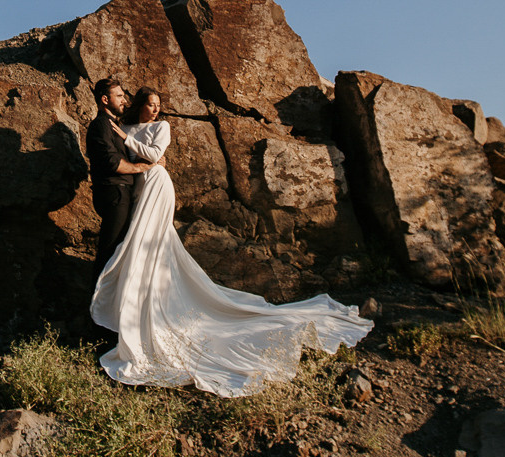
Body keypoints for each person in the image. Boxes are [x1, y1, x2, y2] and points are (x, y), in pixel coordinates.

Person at [89, 86, 373, 397]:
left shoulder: (161, 127)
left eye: (158, 105)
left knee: (152, 243)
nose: (155, 110)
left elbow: (156, 156)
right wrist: (128, 142)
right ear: (140, 106)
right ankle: (129, 309)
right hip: (139, 188)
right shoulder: (124, 126)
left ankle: (146, 311)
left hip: (157, 184)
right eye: (150, 104)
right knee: (139, 244)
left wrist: (131, 143)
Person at [86, 77, 154, 274]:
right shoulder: (100, 125)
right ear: (105, 100)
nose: (124, 100)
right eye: (119, 96)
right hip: (113, 193)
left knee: (118, 251)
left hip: (121, 193)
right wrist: (143, 167)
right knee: (109, 252)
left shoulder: (117, 126)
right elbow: (112, 162)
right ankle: (96, 302)